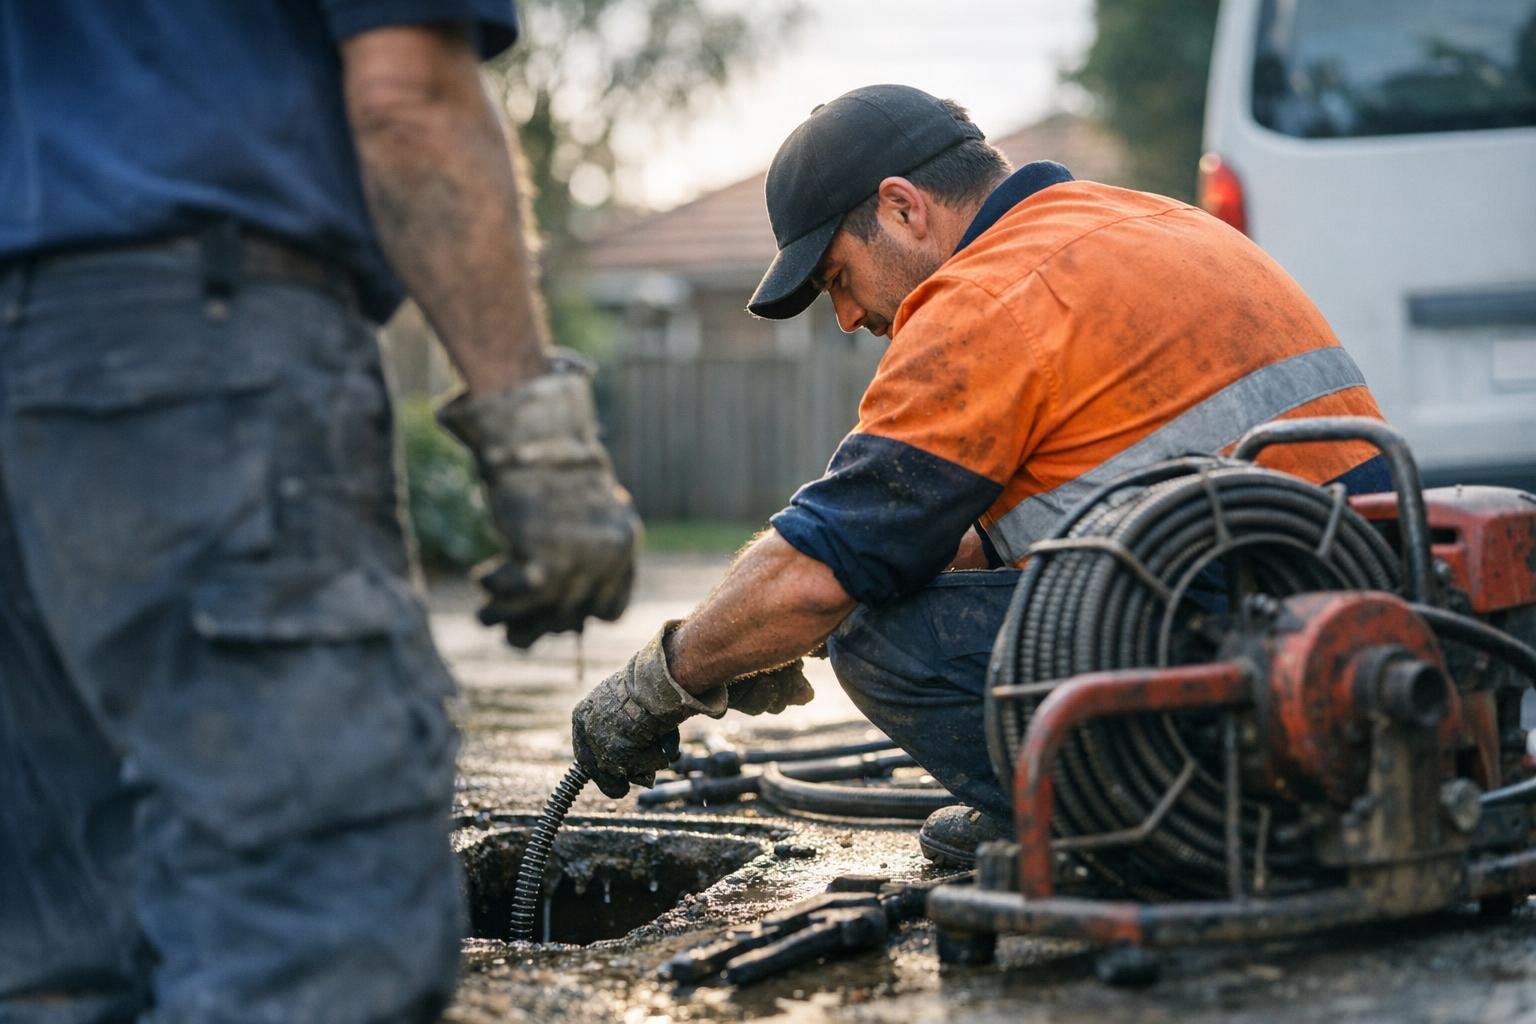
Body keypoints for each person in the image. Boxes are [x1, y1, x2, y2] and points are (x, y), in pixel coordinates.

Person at [0, 3, 637, 1021]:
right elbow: (408, 92)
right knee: (312, 932)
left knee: (53, 945)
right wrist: (538, 437)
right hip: (189, 346)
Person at [568, 84, 1390, 868]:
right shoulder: (1140, 221)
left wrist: (667, 676)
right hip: (1372, 613)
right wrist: (756, 629)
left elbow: (823, 574)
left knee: (877, 630)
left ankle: (1122, 833)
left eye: (839, 280)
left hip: (1261, 646)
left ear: (902, 208)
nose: (849, 318)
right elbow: (986, 537)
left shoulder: (985, 299)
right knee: (873, 590)